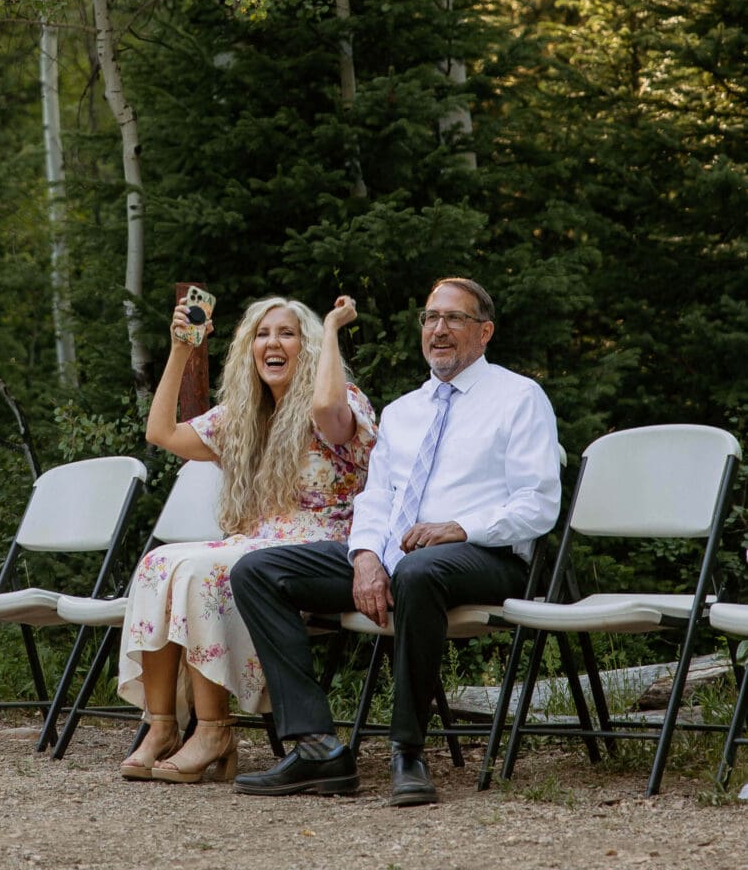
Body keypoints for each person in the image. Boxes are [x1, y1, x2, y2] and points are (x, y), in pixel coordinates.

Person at [230, 277, 561, 806]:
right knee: (256, 571)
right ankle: (317, 747)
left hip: (487, 557)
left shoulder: (519, 398)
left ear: (484, 332)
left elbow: (538, 505)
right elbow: (376, 498)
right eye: (430, 318)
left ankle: (408, 749)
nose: (439, 329)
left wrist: (461, 527)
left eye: (454, 318)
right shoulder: (406, 410)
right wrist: (363, 557)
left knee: (419, 571)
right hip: (399, 557)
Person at [117, 293, 376, 783]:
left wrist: (333, 330)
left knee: (200, 569)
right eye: (262, 334)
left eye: (288, 333)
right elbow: (161, 432)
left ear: (310, 347)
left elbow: (325, 406)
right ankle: (163, 725)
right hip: (256, 544)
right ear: (248, 349)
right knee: (157, 562)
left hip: (321, 549)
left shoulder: (339, 400)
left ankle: (215, 729)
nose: (272, 343)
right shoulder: (243, 415)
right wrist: (181, 350)